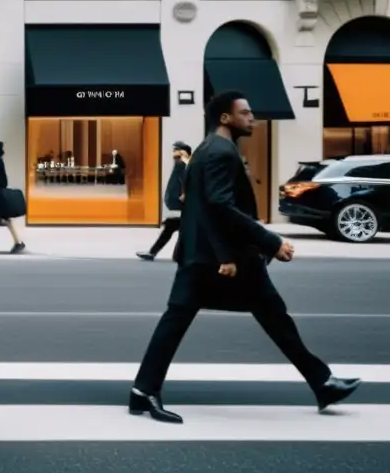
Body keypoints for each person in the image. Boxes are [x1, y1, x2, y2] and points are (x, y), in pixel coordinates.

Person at [128, 90, 361, 424]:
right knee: (269, 315)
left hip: (205, 255)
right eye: (246, 113)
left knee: (260, 315)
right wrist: (269, 240)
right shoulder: (221, 152)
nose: (252, 117)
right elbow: (220, 207)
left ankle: (322, 382)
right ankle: (322, 382)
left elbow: (203, 207)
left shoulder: (208, 149)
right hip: (220, 259)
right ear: (226, 118)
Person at [137, 141, 192, 261]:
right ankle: (161, 253)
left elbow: (186, 179)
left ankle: (162, 253)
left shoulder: (184, 164)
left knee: (177, 231)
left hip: (183, 207)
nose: (173, 153)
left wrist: (184, 193)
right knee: (174, 230)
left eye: (176, 150)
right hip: (180, 208)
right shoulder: (180, 164)